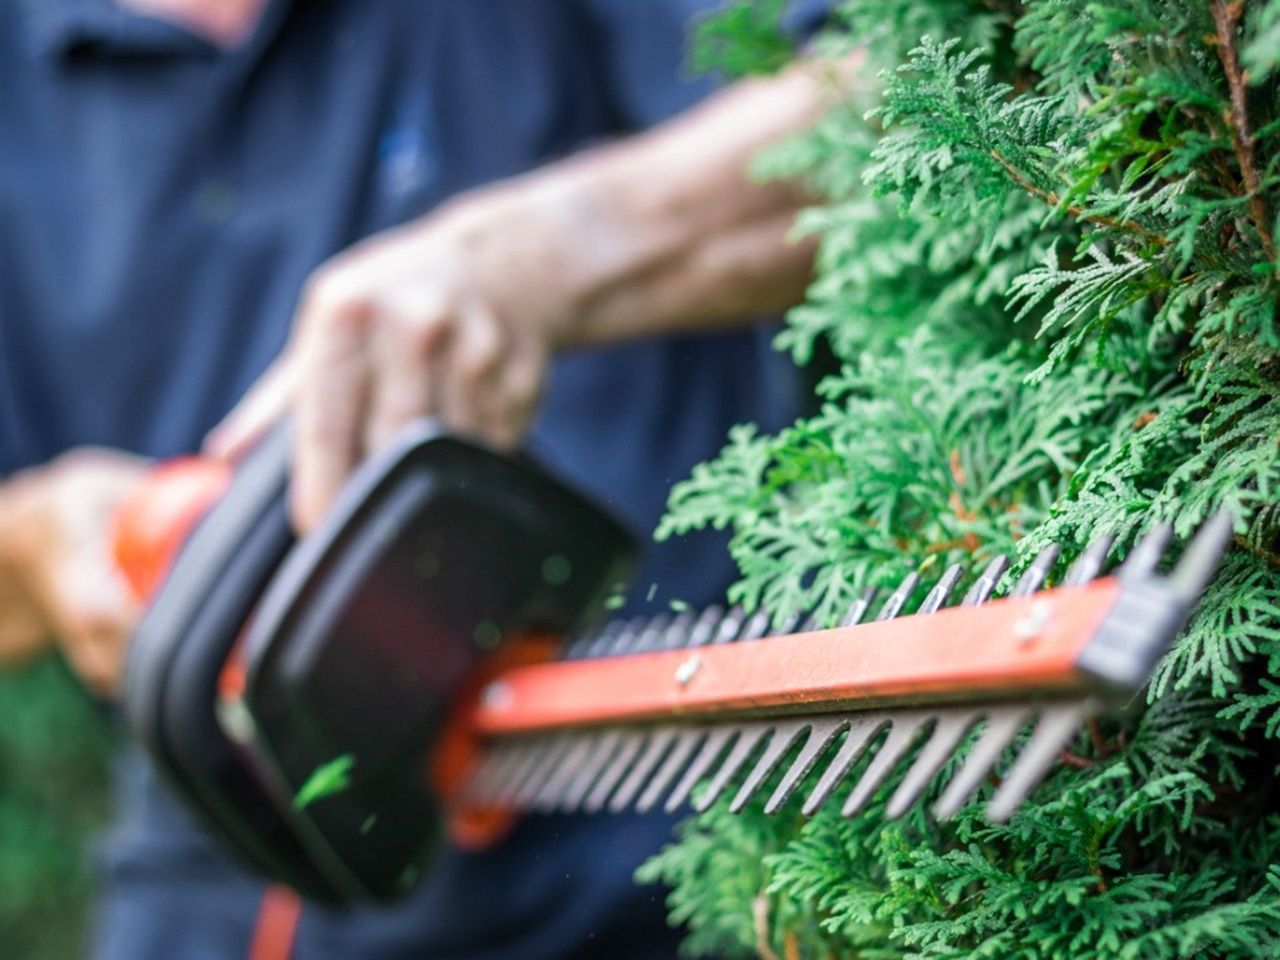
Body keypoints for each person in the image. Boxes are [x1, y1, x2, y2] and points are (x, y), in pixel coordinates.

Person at [0, 1, 841, 956]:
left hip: (676, 797)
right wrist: (36, 544)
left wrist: (535, 257)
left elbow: (907, 105)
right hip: (239, 865)